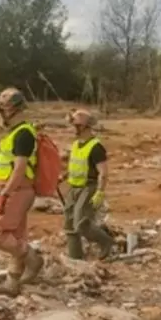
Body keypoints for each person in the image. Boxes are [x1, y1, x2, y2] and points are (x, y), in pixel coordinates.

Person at [0, 88, 43, 296]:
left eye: (3, 108)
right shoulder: (15, 133)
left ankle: (33, 259)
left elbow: (19, 170)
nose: (0, 112)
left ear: (14, 110)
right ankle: (12, 283)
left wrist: (4, 194)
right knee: (15, 236)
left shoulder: (24, 134)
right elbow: (7, 164)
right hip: (15, 190)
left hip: (17, 190)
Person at [63, 109, 114, 260]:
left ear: (83, 127)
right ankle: (75, 258)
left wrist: (100, 192)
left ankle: (105, 241)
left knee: (81, 222)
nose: (72, 129)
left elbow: (103, 173)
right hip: (74, 187)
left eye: (75, 125)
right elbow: (76, 166)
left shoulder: (96, 147)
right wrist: (64, 176)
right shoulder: (76, 145)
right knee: (70, 224)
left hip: (88, 187)